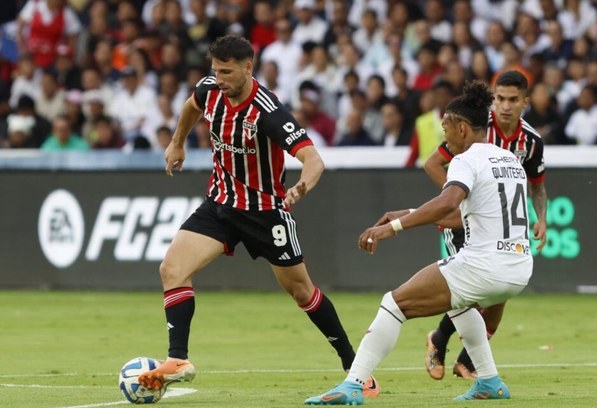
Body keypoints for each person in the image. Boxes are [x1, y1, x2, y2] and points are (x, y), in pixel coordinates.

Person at [136, 35, 379, 398]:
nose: (218, 78)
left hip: (265, 214)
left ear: (248, 68)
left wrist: (300, 187)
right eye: (215, 70)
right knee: (172, 269)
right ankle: (178, 359)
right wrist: (178, 142)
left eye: (226, 71)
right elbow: (191, 106)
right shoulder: (210, 89)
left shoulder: (267, 112)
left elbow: (314, 160)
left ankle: (353, 366)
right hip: (220, 204)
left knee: (301, 291)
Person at [305, 80, 532, 404]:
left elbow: (446, 203)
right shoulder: (508, 160)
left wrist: (393, 227)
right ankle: (490, 381)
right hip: (520, 267)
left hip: (485, 265)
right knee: (460, 308)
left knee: (394, 304)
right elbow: (463, 216)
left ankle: (353, 385)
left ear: (463, 129)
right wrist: (409, 211)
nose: (444, 137)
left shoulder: (466, 160)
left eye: (446, 129)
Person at [422, 70, 548, 380]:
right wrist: (460, 198)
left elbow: (537, 185)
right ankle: (440, 340)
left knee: (498, 292)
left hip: (501, 227)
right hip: (465, 223)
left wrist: (541, 218)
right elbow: (433, 163)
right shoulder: (476, 129)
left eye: (513, 100)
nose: (505, 106)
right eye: (500, 99)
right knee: (469, 290)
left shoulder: (531, 141)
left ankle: (465, 359)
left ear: (525, 103)